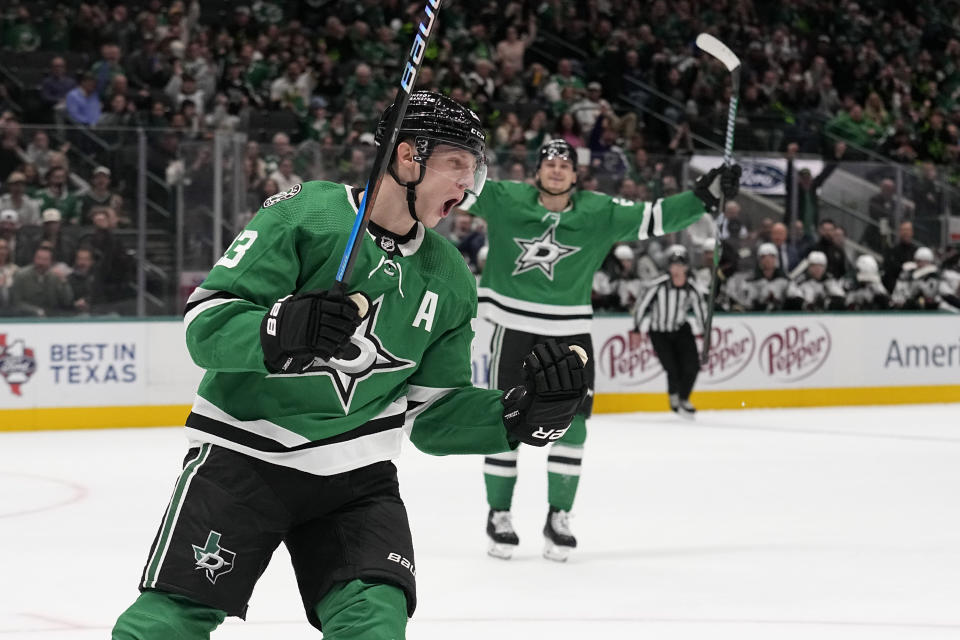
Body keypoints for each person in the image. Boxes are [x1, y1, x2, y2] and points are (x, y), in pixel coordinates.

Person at [111, 91, 589, 640]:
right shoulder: (306, 213)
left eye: (473, 169)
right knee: (167, 623)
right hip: (243, 458)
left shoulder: (451, 276)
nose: (468, 184)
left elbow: (432, 416)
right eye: (457, 164)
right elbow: (206, 328)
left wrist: (515, 415)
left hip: (355, 480)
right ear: (409, 158)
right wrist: (280, 328)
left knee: (374, 627)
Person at [458, 137, 740, 561]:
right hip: (513, 328)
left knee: (573, 426)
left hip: (570, 333)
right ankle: (498, 514)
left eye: (565, 164)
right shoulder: (502, 197)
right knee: (505, 423)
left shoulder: (599, 211)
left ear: (575, 175)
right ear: (537, 172)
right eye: (549, 163)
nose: (556, 169)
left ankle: (559, 517)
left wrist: (704, 195)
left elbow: (655, 217)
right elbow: (453, 182)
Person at [631, 244, 706, 417]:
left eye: (680, 265)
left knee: (692, 366)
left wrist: (704, 330)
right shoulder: (658, 286)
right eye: (674, 265)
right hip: (659, 331)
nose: (677, 269)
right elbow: (642, 305)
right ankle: (674, 395)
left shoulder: (692, 288)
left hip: (681, 329)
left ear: (686, 267)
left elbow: (700, 308)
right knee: (672, 368)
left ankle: (684, 398)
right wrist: (636, 328)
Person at [9, 244, 73, 317]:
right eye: (38, 258)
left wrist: (63, 281)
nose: (41, 262)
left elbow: (67, 301)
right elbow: (16, 302)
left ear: (51, 262)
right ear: (34, 259)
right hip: (26, 316)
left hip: (52, 317)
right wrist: (36, 311)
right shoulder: (21, 275)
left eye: (45, 259)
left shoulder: (55, 277)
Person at [747, 242, 790, 311]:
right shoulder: (751, 280)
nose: (768, 260)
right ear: (759, 260)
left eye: (771, 256)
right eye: (763, 257)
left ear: (776, 258)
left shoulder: (785, 280)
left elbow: (794, 299)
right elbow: (748, 303)